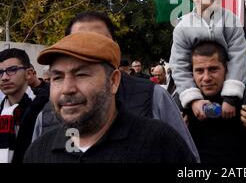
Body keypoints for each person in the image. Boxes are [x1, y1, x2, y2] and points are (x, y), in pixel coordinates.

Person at [34, 11, 200, 162]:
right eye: (57, 77)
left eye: (81, 74)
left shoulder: (159, 132)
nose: (67, 88)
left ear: (113, 80)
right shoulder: (39, 147)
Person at [169, 0, 246, 120]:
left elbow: (239, 58)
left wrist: (231, 97)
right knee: (174, 117)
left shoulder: (231, 20)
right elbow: (179, 66)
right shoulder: (182, 27)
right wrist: (193, 99)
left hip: (231, 82)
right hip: (194, 86)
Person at [185, 41, 246, 163]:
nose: (206, 77)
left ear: (226, 69)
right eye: (200, 71)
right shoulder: (183, 108)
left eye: (213, 69)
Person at [0, 49, 49, 163]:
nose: (4, 77)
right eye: (0, 72)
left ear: (29, 73)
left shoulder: (46, 108)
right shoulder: (2, 111)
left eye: (12, 70)